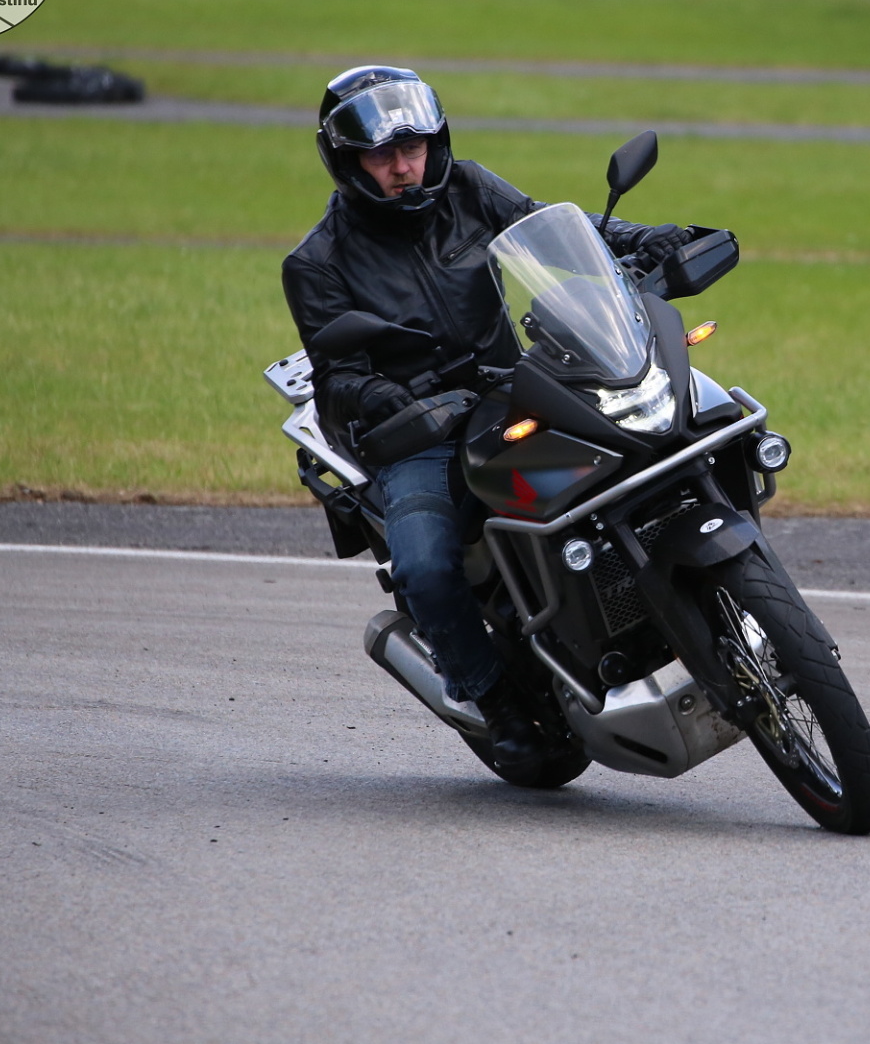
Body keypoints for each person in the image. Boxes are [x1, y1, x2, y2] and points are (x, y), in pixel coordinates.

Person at [282, 66, 688, 767]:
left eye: (413, 148)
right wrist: (394, 400)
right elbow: (338, 377)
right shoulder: (318, 262)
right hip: (419, 432)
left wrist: (644, 239)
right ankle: (492, 698)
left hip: (513, 389)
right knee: (424, 566)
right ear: (348, 163)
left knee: (650, 448)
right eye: (383, 156)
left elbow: (547, 228)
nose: (403, 168)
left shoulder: (467, 187)